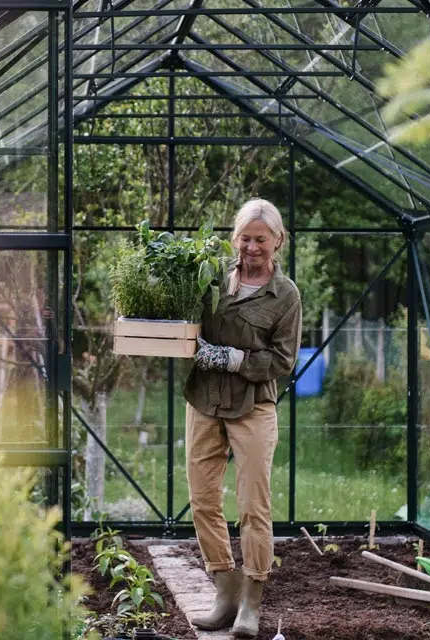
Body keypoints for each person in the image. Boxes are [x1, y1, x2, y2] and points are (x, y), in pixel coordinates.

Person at [183, 198, 302, 638]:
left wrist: (232, 358)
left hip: (253, 405)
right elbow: (183, 322)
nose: (251, 248)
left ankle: (252, 601)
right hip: (204, 401)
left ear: (278, 241)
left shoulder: (284, 295)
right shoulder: (211, 277)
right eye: (245, 238)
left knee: (253, 504)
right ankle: (225, 593)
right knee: (203, 499)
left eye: (261, 240)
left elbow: (283, 359)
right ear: (234, 237)